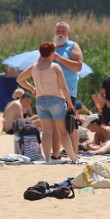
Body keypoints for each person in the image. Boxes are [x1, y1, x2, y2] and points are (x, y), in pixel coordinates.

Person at [16, 41, 79, 163]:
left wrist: (32, 89)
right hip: (56, 101)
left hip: (41, 101)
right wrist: (70, 103)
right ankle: (73, 158)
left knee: (46, 132)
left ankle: (48, 160)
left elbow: (20, 79)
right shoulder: (55, 67)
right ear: (52, 53)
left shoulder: (34, 67)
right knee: (63, 132)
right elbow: (64, 87)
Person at [50, 21, 85, 157]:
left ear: (68, 34)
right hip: (51, 91)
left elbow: (78, 66)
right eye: (58, 31)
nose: (60, 34)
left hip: (68, 91)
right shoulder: (50, 46)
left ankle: (74, 154)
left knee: (70, 123)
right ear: (54, 33)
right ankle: (55, 154)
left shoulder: (72, 46)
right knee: (54, 125)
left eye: (63, 31)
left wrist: (59, 58)